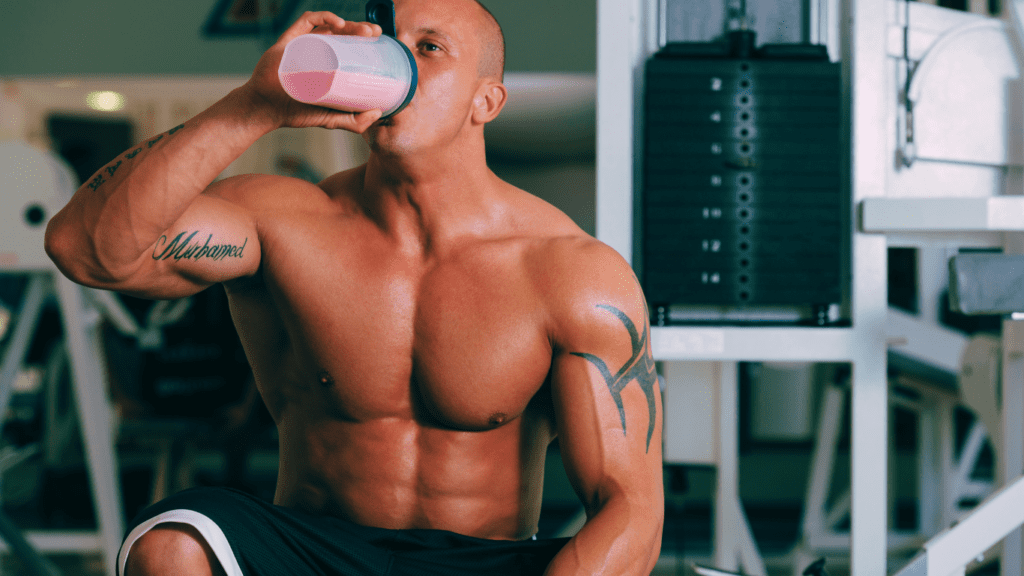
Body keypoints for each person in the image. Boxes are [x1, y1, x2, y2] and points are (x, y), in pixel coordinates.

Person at [44, 0, 664, 574]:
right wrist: (257, 104)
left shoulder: (572, 272)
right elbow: (89, 252)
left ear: (487, 102)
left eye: (429, 48)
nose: (398, 60)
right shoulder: (282, 223)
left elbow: (629, 507)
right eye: (389, 43)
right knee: (172, 545)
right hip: (312, 548)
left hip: (481, 561)